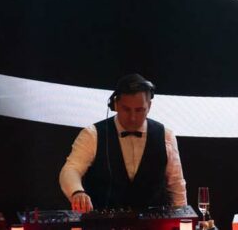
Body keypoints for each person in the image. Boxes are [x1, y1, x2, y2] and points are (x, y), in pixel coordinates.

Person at [59, 74, 187, 210]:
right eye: (126, 109)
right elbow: (71, 169)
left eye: (139, 110)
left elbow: (176, 185)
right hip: (103, 220)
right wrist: (77, 192)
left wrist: (183, 217)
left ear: (149, 106)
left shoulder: (166, 136)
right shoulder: (92, 135)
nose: (133, 118)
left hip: (153, 220)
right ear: (115, 105)